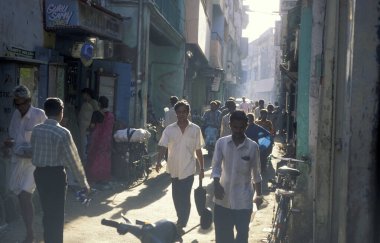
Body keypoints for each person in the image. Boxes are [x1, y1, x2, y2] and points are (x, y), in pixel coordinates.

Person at [31, 97, 90, 243]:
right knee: (56, 214)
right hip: (56, 175)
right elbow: (74, 161)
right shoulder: (63, 132)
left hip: (39, 174)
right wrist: (84, 184)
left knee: (47, 212)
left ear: (46, 112)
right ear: (61, 112)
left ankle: (48, 239)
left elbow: (33, 150)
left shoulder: (36, 130)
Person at [3, 85, 47, 243]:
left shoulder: (39, 114)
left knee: (24, 195)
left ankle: (30, 234)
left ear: (28, 101)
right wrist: (8, 145)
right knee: (18, 194)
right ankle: (30, 227)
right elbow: (13, 136)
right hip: (17, 161)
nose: (19, 107)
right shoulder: (16, 114)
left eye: (21, 103)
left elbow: (47, 136)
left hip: (33, 163)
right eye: (16, 103)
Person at [211, 110, 263, 243]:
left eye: (241, 127)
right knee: (223, 238)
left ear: (246, 126)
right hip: (222, 198)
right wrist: (216, 184)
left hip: (243, 201)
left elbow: (256, 173)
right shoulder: (221, 143)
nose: (238, 130)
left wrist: (259, 195)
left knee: (241, 237)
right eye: (235, 127)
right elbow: (216, 166)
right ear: (230, 125)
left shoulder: (252, 147)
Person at [155, 100, 205, 235]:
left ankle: (182, 221)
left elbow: (198, 150)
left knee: (185, 195)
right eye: (179, 112)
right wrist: (158, 162)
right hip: (174, 168)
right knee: (176, 196)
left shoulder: (195, 129)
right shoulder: (169, 129)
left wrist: (201, 169)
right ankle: (180, 216)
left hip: (189, 168)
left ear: (188, 113)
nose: (182, 115)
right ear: (176, 113)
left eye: (184, 112)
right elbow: (162, 146)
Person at [86, 96, 115, 184]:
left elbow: (92, 126)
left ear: (99, 104)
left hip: (96, 140)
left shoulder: (96, 113)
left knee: (94, 158)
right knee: (105, 160)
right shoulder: (111, 115)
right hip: (107, 141)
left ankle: (94, 178)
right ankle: (103, 178)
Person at [78, 88, 99, 162]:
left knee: (86, 144)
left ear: (87, 94)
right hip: (83, 126)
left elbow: (96, 113)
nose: (83, 96)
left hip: (89, 127)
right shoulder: (85, 103)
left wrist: (92, 123)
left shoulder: (93, 102)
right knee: (83, 143)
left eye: (83, 94)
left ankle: (87, 160)